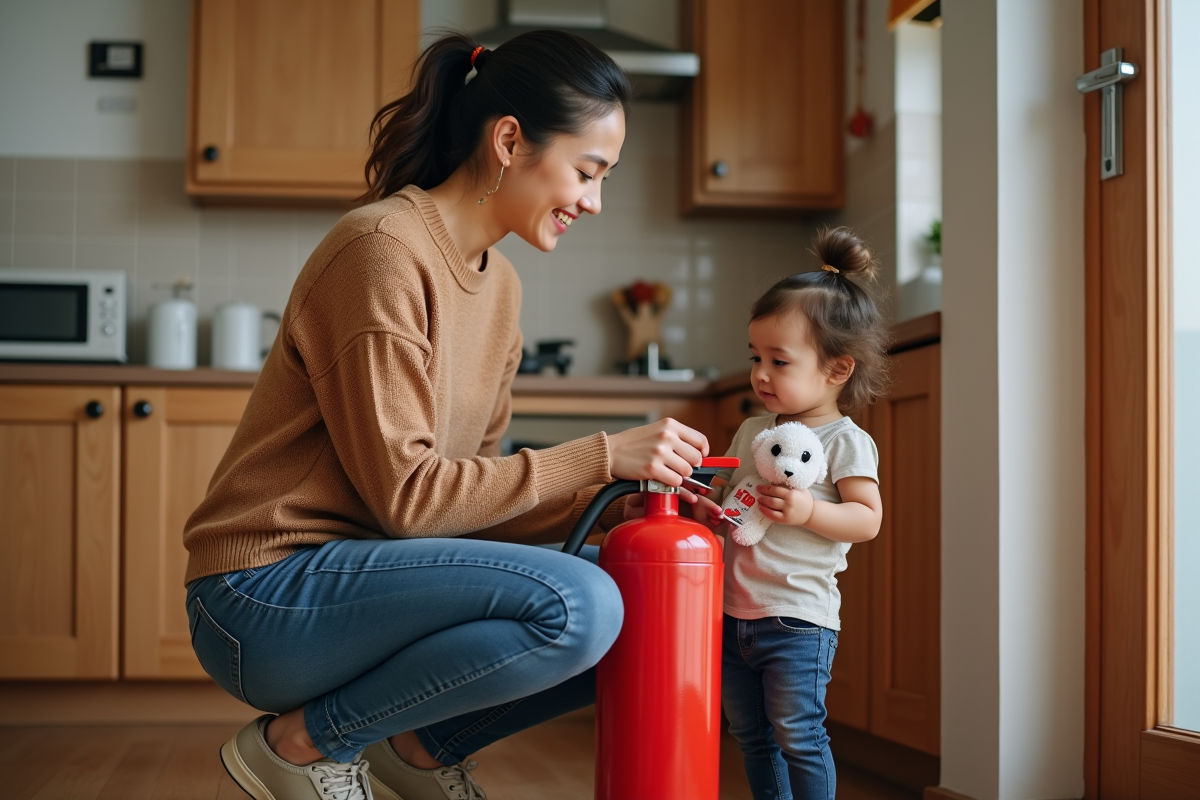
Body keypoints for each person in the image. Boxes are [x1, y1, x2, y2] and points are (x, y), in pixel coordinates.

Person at [182, 30, 711, 800]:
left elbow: (463, 512)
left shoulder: (501, 290)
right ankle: (301, 746)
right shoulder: (381, 250)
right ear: (508, 141)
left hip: (368, 581)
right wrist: (600, 456)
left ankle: (420, 749)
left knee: (634, 593)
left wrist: (608, 512)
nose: (594, 202)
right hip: (262, 595)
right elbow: (411, 501)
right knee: (580, 601)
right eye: (587, 172)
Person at [689, 227, 888, 800]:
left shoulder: (846, 441)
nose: (760, 374)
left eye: (779, 361)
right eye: (756, 357)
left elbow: (866, 519)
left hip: (798, 619)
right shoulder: (754, 429)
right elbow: (728, 496)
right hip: (732, 613)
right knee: (751, 735)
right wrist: (705, 508)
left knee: (799, 735)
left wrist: (806, 512)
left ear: (837, 370)